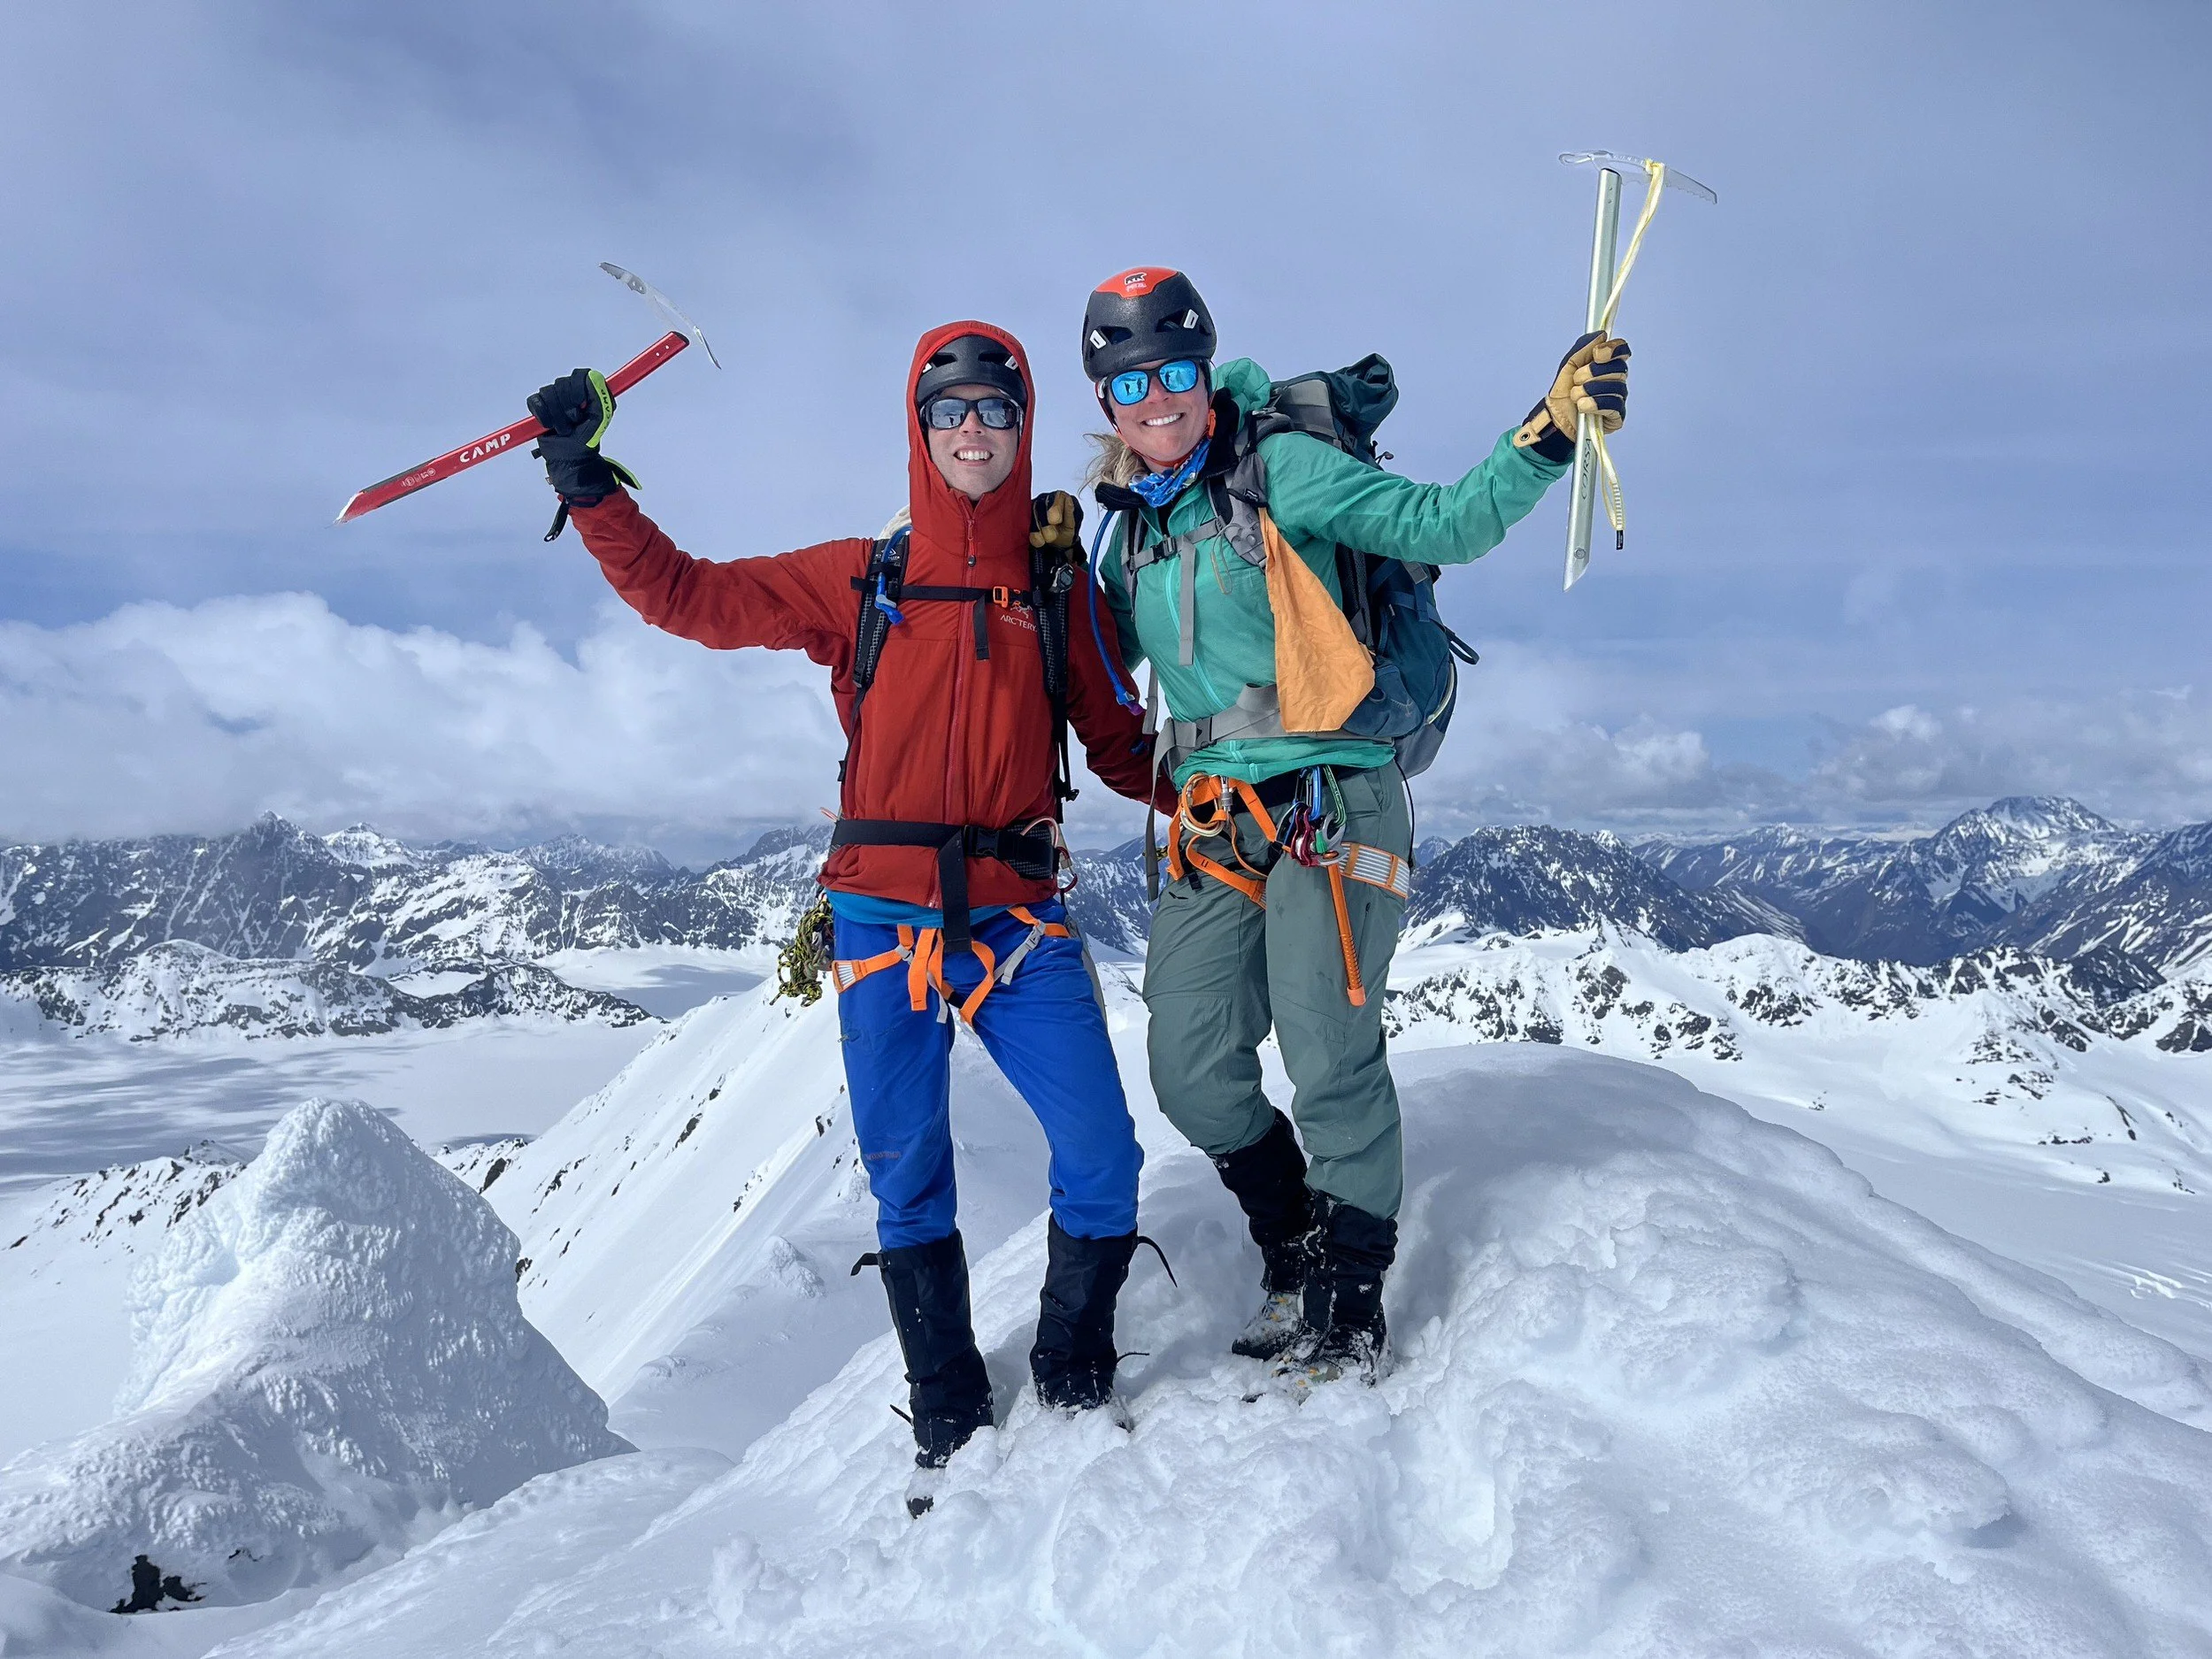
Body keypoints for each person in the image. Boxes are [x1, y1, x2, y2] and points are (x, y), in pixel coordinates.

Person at [525, 323, 1163, 1496]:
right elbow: (688, 597)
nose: (973, 428)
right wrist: (586, 483)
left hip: (1018, 921)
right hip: (879, 921)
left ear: (1023, 427)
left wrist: (1244, 788)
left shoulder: (1054, 584)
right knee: (906, 1176)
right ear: (919, 429)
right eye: (949, 409)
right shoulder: (862, 576)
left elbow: (1122, 744)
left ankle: (1071, 1368)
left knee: (1103, 1153)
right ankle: (949, 1409)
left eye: (996, 408)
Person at [1080, 267, 1629, 1385]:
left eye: (1174, 372)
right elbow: (1082, 669)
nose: (1156, 399)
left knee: (1327, 1052)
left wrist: (1548, 429)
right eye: (1130, 382)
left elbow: (1441, 522)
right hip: (1214, 818)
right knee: (1190, 1069)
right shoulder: (1127, 533)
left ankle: (1347, 1294)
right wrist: (1019, 565)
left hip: (1333, 796)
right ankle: (1291, 1241)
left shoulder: (1279, 469)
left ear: (1204, 374)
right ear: (1106, 402)